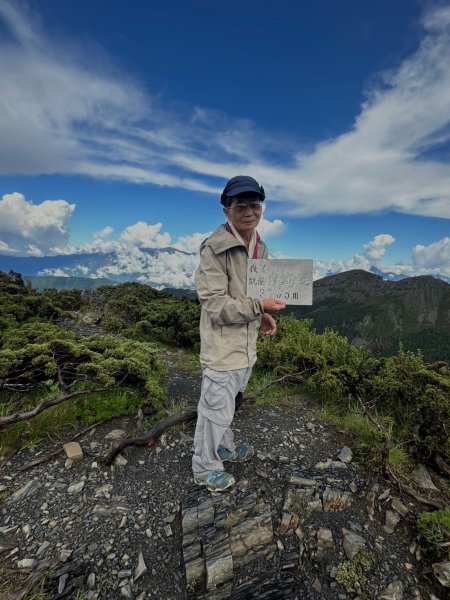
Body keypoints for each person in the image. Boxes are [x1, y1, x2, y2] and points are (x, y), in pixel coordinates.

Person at [192, 175, 286, 492]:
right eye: (240, 204)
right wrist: (260, 305)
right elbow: (216, 306)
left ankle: (224, 448)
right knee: (214, 410)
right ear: (226, 210)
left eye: (255, 204)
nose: (249, 211)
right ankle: (204, 468)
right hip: (222, 349)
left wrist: (262, 318)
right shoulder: (215, 249)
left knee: (230, 404)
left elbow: (249, 298)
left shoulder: (259, 246)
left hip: (246, 347)